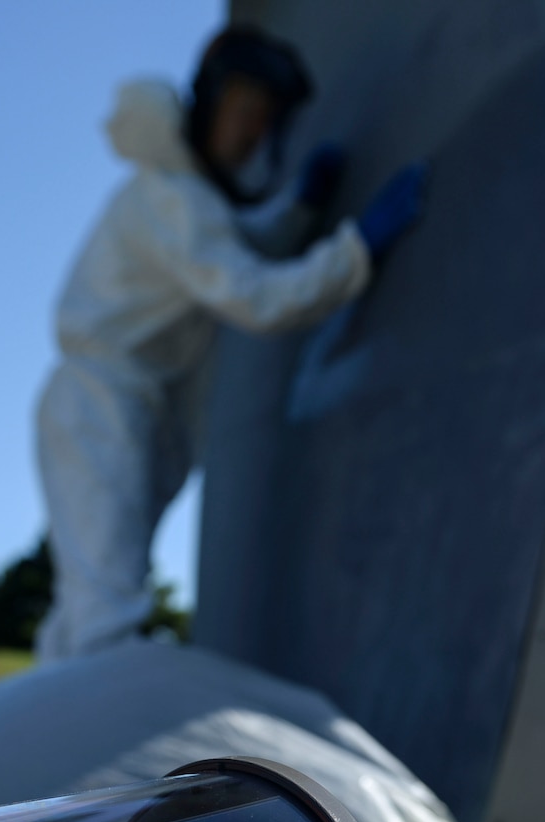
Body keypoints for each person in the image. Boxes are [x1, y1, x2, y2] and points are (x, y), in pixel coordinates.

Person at [33, 25, 427, 661]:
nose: (251, 133)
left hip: (122, 406)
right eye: (243, 111)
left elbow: (232, 248)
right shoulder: (171, 200)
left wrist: (301, 212)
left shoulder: (186, 204)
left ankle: (43, 747)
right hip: (100, 406)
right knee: (105, 615)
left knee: (82, 611)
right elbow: (256, 296)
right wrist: (356, 249)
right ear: (206, 107)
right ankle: (97, 754)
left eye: (263, 119)